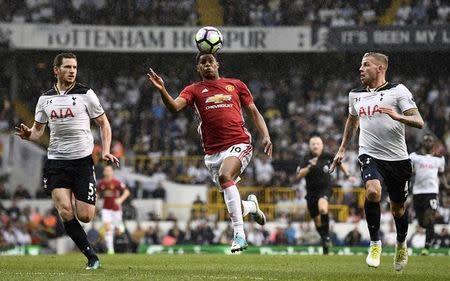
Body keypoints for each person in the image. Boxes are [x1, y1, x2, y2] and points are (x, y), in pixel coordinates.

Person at [147, 52, 272, 253]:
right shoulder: (194, 90)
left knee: (225, 176)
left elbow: (254, 112)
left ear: (217, 64)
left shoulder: (236, 85)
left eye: (210, 61)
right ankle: (250, 208)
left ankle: (239, 235)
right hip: (213, 153)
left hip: (239, 142)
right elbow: (174, 107)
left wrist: (265, 135)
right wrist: (163, 90)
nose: (207, 65)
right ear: (198, 68)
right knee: (232, 200)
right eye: (202, 63)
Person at [15, 52, 119, 270]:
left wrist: (107, 150)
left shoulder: (86, 94)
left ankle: (91, 252)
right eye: (68, 67)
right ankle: (92, 257)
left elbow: (104, 123)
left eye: (75, 67)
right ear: (56, 70)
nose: (72, 71)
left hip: (82, 161)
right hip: (56, 161)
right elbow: (38, 131)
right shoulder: (45, 99)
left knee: (85, 215)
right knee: (64, 210)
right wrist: (28, 135)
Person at [329, 52, 424, 271]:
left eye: (366, 65)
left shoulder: (398, 91)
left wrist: (398, 116)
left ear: (380, 68)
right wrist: (342, 148)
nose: (360, 69)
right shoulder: (355, 94)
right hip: (369, 153)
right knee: (372, 192)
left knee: (398, 209)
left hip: (398, 159)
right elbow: (352, 121)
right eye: (361, 65)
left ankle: (401, 244)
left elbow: (419, 121)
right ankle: (375, 244)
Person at [295, 134, 353, 255]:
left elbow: (340, 164)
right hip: (311, 192)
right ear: (310, 146)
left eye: (318, 144)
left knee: (323, 208)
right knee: (316, 221)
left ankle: (326, 237)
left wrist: (348, 175)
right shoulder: (306, 158)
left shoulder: (328, 156)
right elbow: (299, 174)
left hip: (325, 189)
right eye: (313, 144)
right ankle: (324, 239)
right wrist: (310, 166)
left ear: (322, 145)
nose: (315, 146)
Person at [410, 134, 449, 255]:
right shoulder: (414, 157)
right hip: (418, 193)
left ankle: (426, 247)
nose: (427, 142)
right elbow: (410, 172)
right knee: (422, 222)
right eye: (425, 139)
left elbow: (441, 174)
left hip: (432, 192)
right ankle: (428, 237)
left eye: (430, 140)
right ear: (423, 142)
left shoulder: (439, 159)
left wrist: (446, 186)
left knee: (430, 218)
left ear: (433, 144)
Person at [96, 164, 130, 254]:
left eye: (109, 170)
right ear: (104, 172)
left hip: (116, 209)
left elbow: (127, 192)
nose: (107, 172)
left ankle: (120, 226)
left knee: (118, 229)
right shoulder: (101, 183)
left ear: (112, 172)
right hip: (106, 209)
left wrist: (120, 199)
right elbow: (97, 194)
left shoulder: (116, 182)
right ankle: (111, 250)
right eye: (106, 170)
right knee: (108, 228)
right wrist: (94, 201)